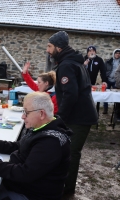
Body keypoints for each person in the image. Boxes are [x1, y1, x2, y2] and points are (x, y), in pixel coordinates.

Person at [0, 92, 72, 200]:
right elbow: (23, 146)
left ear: (41, 114)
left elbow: (26, 173)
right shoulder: (41, 127)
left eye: (26, 112)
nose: (23, 116)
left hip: (32, 195)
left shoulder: (51, 142)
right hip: (21, 186)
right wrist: (0, 145)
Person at [46, 31, 98, 196]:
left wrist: (60, 117)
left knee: (71, 153)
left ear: (59, 47)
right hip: (78, 116)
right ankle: (63, 186)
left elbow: (70, 94)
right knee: (67, 151)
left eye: (50, 46)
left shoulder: (67, 65)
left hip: (79, 118)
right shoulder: (73, 62)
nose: (47, 50)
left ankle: (66, 191)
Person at [103, 49, 120, 114]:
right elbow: (104, 71)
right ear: (114, 54)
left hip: (116, 81)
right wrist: (104, 79)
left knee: (117, 95)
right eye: (116, 53)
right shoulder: (108, 61)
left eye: (119, 53)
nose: (118, 54)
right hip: (108, 80)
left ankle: (116, 110)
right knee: (105, 95)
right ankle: (105, 109)